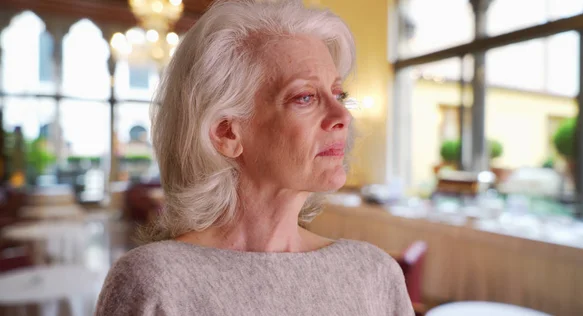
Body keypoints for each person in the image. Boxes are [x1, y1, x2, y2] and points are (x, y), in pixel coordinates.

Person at [95, 0, 413, 315]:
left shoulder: (374, 274)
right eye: (305, 97)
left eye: (338, 94)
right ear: (226, 132)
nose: (342, 114)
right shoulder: (155, 282)